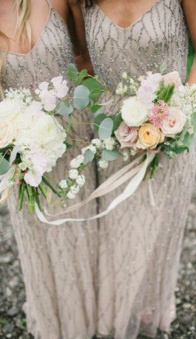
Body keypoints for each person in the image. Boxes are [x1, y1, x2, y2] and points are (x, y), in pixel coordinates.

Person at [79, 0, 196, 338]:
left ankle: (145, 317)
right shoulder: (80, 2)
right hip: (115, 143)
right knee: (119, 240)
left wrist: (176, 115)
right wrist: (111, 117)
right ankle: (116, 321)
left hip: (170, 140)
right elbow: (84, 62)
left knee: (156, 241)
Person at [0, 1, 98, 338]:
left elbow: (86, 58)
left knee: (81, 231)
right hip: (24, 157)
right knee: (40, 240)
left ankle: (92, 317)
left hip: (74, 142)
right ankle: (56, 320)